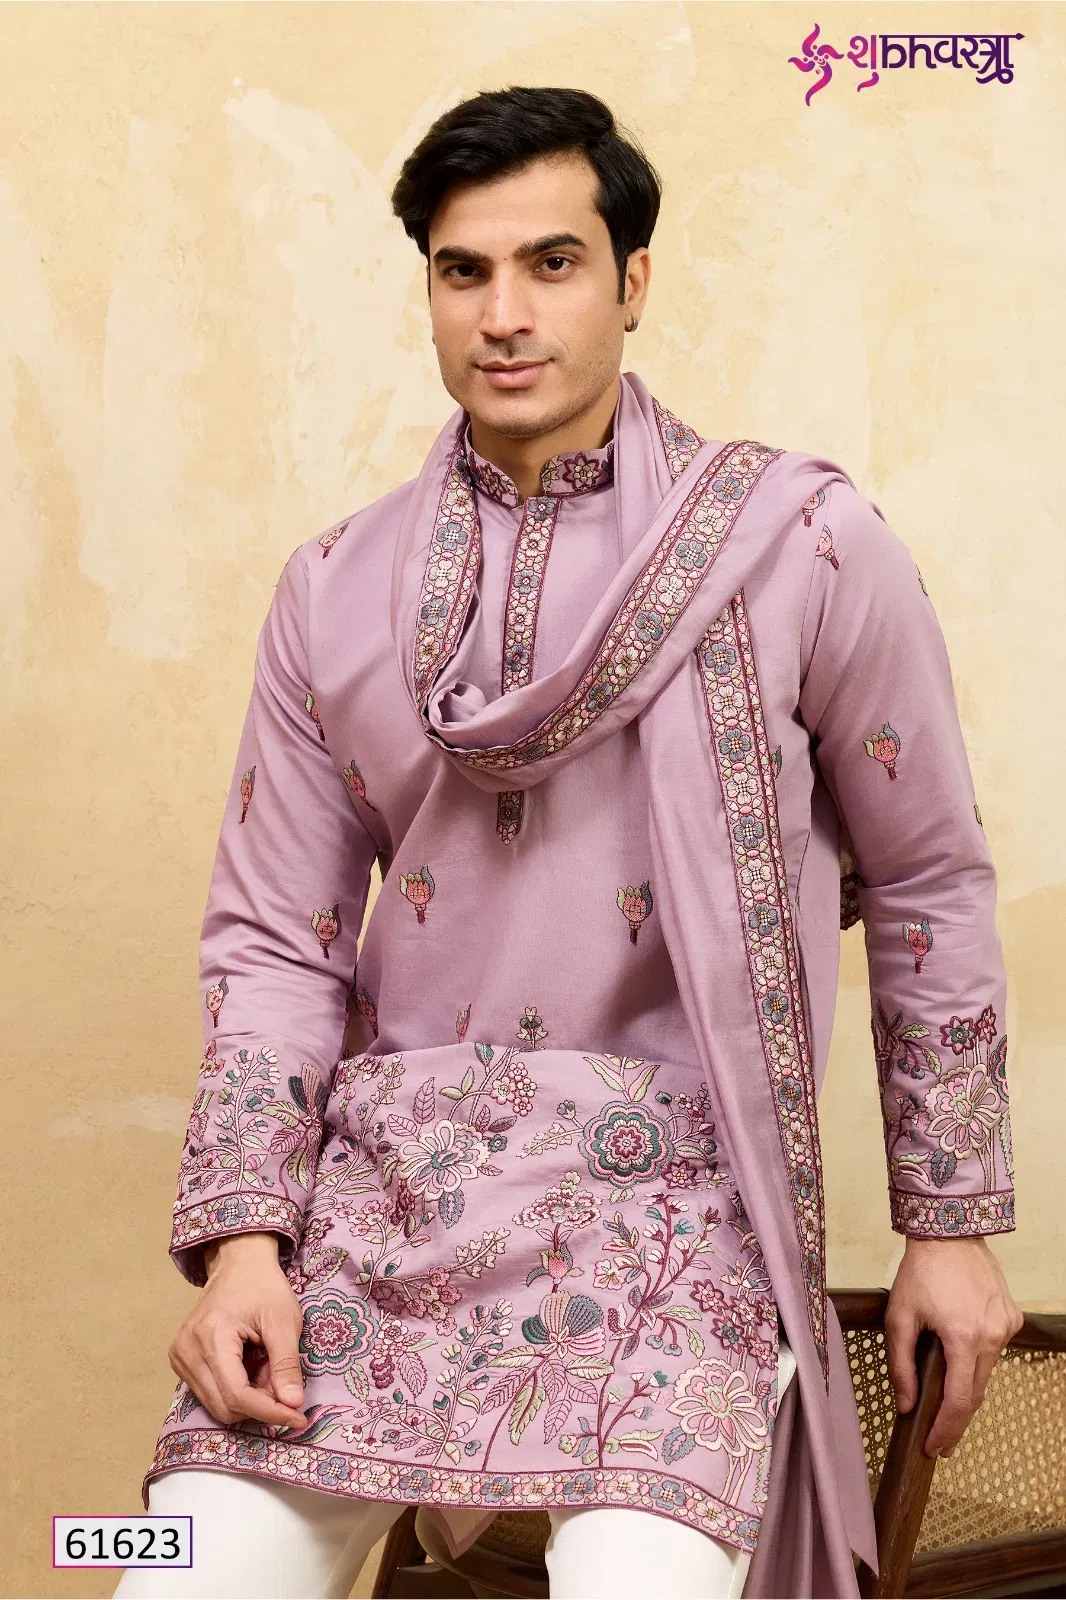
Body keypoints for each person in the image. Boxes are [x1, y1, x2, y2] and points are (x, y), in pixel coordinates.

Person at [116, 87, 1022, 1600]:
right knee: (148, 1563)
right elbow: (275, 943)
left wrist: (950, 1224)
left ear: (633, 280)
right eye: (462, 272)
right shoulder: (332, 586)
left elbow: (928, 879)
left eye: (553, 263)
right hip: (373, 1224)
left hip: (679, 1226)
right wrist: (244, 1250)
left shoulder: (799, 543)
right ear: (426, 290)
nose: (504, 315)